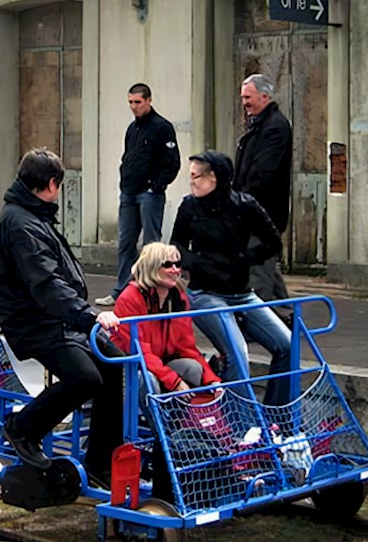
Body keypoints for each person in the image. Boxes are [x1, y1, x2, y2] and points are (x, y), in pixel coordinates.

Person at [0, 148, 123, 485]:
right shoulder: (22, 224)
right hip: (35, 324)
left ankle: (101, 461)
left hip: (53, 320)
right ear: (52, 184)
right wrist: (88, 317)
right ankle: (22, 429)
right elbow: (47, 284)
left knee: (114, 362)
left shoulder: (31, 216)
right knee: (86, 378)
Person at [170, 151, 293, 407]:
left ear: (214, 177)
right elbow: (177, 245)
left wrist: (244, 258)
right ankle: (242, 428)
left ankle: (275, 416)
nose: (191, 182)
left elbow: (273, 242)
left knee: (288, 346)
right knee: (238, 352)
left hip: (241, 292)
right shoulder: (189, 206)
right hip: (204, 292)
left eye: (195, 176)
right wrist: (198, 263)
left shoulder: (243, 205)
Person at [100, 83, 181, 306]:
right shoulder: (132, 129)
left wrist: (156, 186)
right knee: (125, 243)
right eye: (130, 102)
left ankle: (149, 290)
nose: (133, 107)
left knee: (150, 245)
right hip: (129, 192)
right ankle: (122, 290)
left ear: (148, 100)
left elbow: (172, 162)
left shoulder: (162, 127)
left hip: (149, 194)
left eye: (138, 102)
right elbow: (128, 157)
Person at [113, 242, 220, 394]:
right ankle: (151, 418)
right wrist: (174, 381)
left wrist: (212, 381)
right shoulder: (130, 298)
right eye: (168, 264)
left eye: (178, 264)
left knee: (193, 367)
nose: (176, 270)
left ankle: (179, 416)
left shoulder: (178, 298)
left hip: (160, 362)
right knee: (147, 380)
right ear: (152, 267)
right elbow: (140, 353)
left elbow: (187, 347)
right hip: (129, 366)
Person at [234, 73, 293, 303]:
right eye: (243, 97)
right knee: (266, 266)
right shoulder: (259, 126)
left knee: (259, 269)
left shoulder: (274, 127)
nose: (244, 102)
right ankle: (287, 313)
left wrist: (242, 202)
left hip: (263, 212)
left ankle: (261, 321)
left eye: (248, 97)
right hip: (255, 210)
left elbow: (262, 173)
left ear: (264, 96)